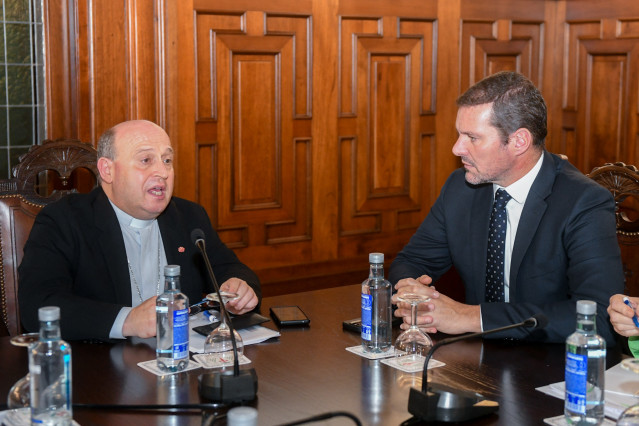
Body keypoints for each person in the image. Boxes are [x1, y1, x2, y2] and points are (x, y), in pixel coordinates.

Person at [389, 71, 624, 345]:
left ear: (519, 141)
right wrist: (413, 295)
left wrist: (469, 316)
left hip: (548, 365)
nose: (456, 148)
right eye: (459, 135)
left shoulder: (583, 202)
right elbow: (412, 261)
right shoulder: (460, 188)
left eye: (472, 137)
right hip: (477, 360)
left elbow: (597, 318)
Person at [18, 120, 261, 341]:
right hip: (101, 372)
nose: (163, 172)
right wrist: (128, 321)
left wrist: (239, 285)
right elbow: (38, 305)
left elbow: (226, 267)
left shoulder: (189, 216)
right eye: (146, 160)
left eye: (167, 161)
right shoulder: (64, 221)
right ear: (107, 170)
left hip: (183, 362)